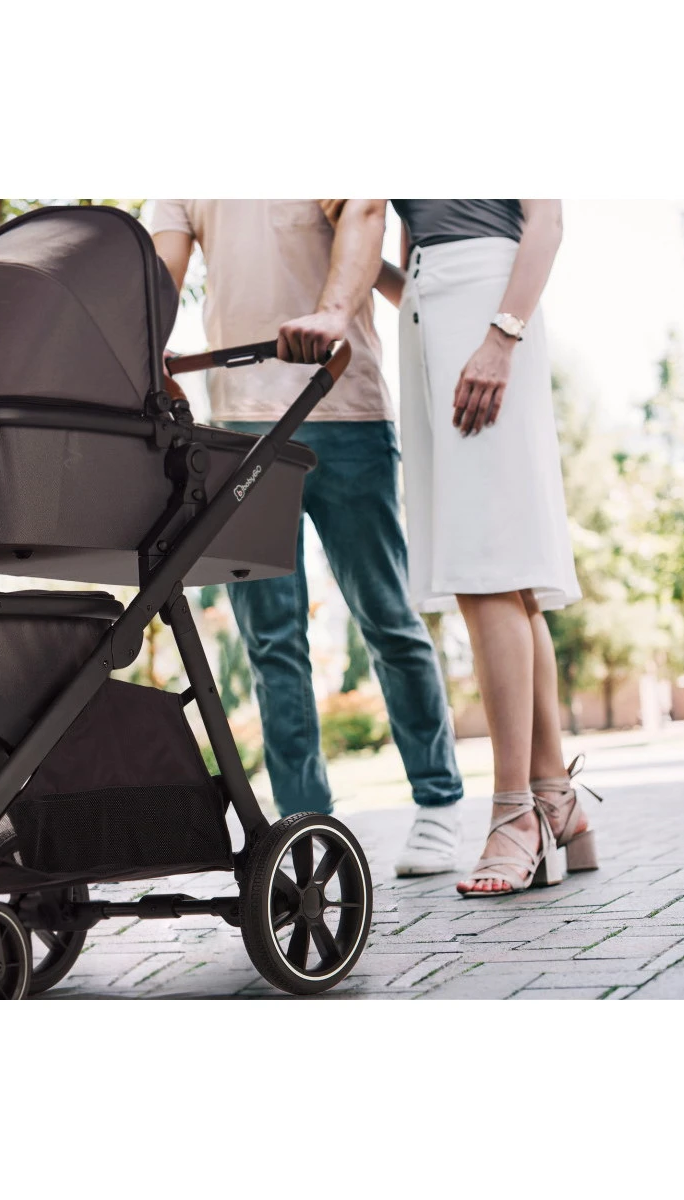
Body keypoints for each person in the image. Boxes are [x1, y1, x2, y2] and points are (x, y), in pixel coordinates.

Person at [148, 200, 464, 876]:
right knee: (271, 640)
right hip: (238, 427)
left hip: (345, 410)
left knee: (386, 615)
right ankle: (304, 827)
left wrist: (332, 313)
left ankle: (439, 801)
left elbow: (365, 211)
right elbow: (160, 275)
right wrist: (142, 343)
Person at [303, 200, 594, 896]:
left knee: (485, 567)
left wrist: (501, 336)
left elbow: (546, 223)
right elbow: (414, 259)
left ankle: (514, 813)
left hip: (489, 310)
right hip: (429, 315)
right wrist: (359, 252)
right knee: (505, 573)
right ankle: (556, 800)